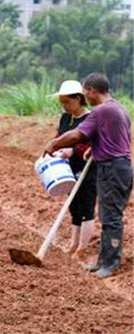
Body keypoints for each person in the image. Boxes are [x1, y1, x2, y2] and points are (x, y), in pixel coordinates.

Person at [45, 73, 132, 279]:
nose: (86, 96)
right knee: (106, 214)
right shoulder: (119, 108)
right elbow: (119, 138)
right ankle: (103, 261)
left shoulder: (100, 111)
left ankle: (110, 264)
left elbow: (77, 134)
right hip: (117, 166)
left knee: (111, 217)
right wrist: (95, 148)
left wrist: (54, 144)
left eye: (86, 91)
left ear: (92, 90)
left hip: (112, 168)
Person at [50, 80, 97, 260]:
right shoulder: (65, 118)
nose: (64, 106)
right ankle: (73, 244)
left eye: (67, 102)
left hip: (87, 169)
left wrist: (73, 151)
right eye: (62, 102)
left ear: (78, 98)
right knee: (73, 207)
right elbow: (59, 138)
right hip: (67, 169)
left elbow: (92, 145)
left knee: (86, 207)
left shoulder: (90, 119)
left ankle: (82, 249)